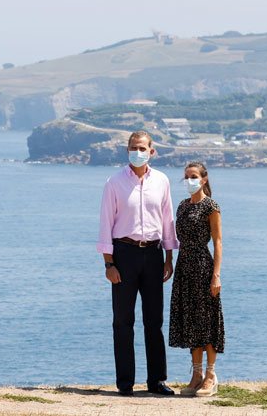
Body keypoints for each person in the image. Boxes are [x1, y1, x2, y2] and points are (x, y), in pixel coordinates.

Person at [97, 130, 179, 397]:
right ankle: (125, 383)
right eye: (133, 147)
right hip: (124, 254)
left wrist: (169, 257)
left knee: (154, 320)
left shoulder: (163, 181)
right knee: (123, 321)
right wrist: (109, 264)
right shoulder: (114, 182)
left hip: (154, 255)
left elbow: (167, 221)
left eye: (142, 147)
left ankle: (157, 381)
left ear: (152, 151)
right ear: (127, 150)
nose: (138, 151)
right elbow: (105, 224)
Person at [168, 161, 224, 397]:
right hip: (184, 266)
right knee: (190, 320)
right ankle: (196, 374)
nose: (189, 180)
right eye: (186, 176)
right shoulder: (182, 206)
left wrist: (216, 275)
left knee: (206, 319)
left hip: (202, 265)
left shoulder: (211, 206)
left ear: (204, 179)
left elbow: (218, 241)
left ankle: (211, 375)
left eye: (194, 176)